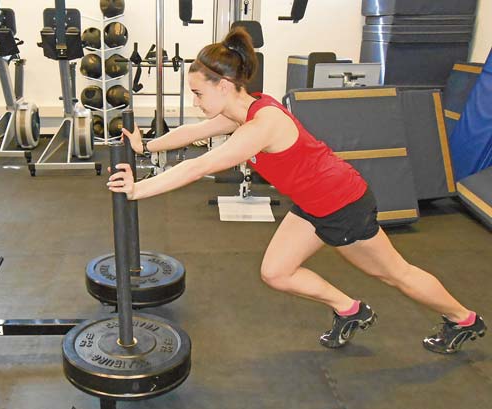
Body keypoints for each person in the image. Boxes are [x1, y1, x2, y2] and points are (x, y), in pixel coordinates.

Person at [107, 27, 486, 354]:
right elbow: (191, 134)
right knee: (276, 272)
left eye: (198, 94)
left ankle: (463, 318)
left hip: (343, 205)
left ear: (224, 86)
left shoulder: (261, 124)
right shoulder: (241, 110)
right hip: (312, 203)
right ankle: (350, 309)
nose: (195, 102)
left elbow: (200, 165)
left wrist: (139, 189)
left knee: (396, 274)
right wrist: (149, 146)